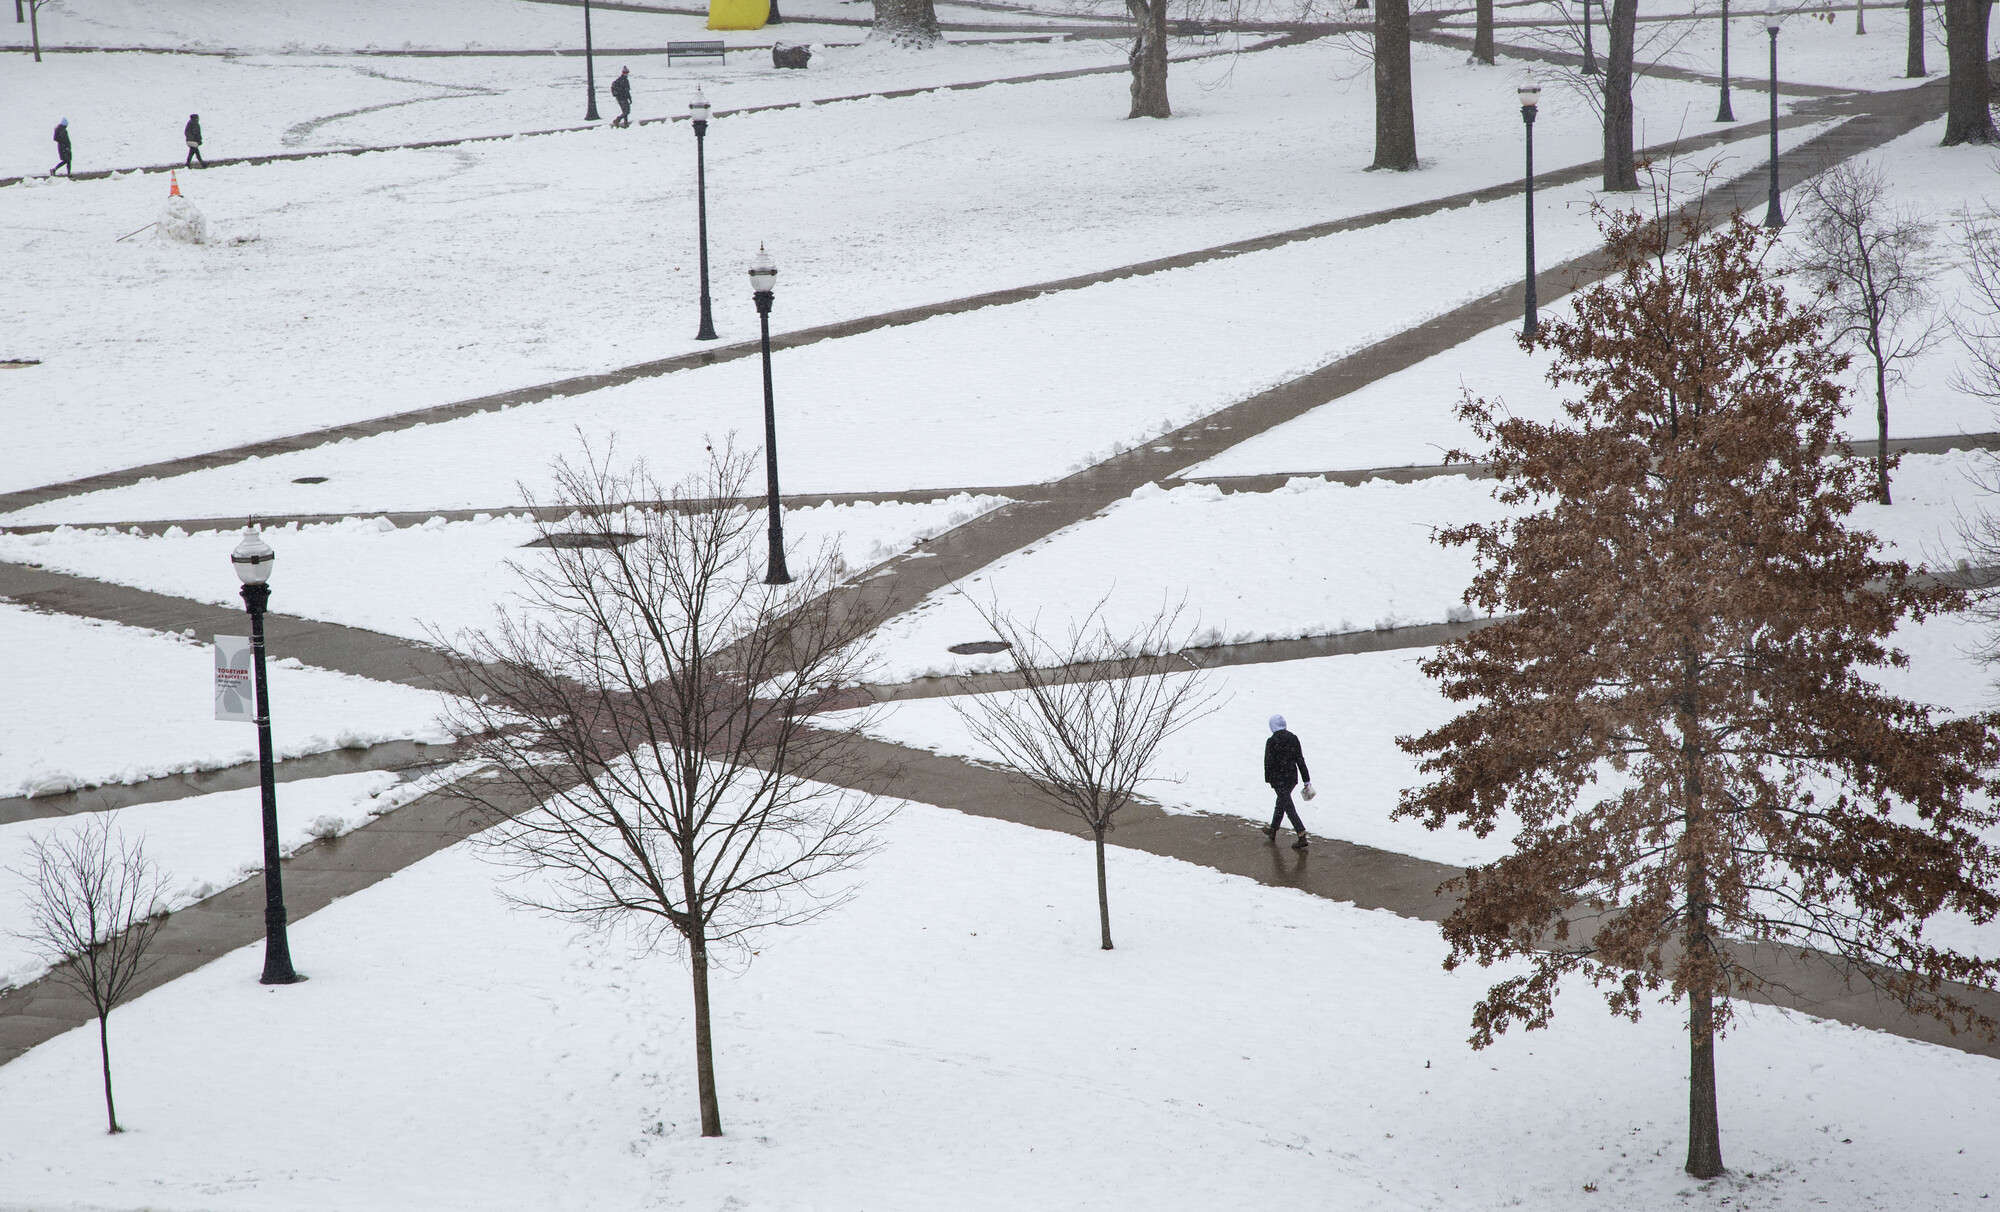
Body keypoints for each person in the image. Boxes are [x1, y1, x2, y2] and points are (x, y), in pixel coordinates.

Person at [1262, 714, 1312, 850]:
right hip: (1291, 778)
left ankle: (1301, 834)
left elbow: (1268, 762)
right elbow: (1300, 760)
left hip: (1279, 779)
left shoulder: (1272, 741)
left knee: (1288, 807)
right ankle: (1273, 830)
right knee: (1282, 803)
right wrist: (1306, 780)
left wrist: (1269, 780)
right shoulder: (1293, 738)